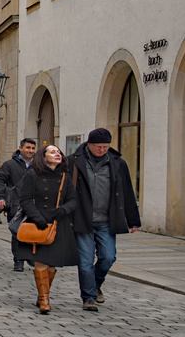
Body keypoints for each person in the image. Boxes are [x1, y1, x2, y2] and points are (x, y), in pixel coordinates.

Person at [68, 128, 141, 312]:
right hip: (82, 219)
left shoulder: (117, 163)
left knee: (108, 257)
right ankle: (89, 297)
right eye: (98, 147)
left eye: (106, 147)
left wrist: (133, 219)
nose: (102, 150)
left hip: (107, 220)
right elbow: (64, 190)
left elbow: (127, 191)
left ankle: (95, 284)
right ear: (89, 145)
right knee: (85, 261)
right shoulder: (74, 162)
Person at [18, 143, 79, 314]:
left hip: (58, 223)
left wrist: (62, 211)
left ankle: (42, 294)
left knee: (52, 265)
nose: (57, 154)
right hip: (38, 223)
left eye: (58, 152)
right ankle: (44, 299)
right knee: (41, 261)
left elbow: (73, 200)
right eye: (52, 152)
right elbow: (25, 199)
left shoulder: (65, 177)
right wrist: (37, 217)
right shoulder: (32, 174)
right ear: (43, 157)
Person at [0, 138, 38, 271]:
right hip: (15, 203)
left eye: (32, 148)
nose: (30, 151)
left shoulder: (39, 165)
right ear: (21, 148)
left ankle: (29, 255)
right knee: (17, 232)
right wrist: (0, 197)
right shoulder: (10, 165)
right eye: (28, 148)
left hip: (34, 204)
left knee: (33, 232)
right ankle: (18, 260)